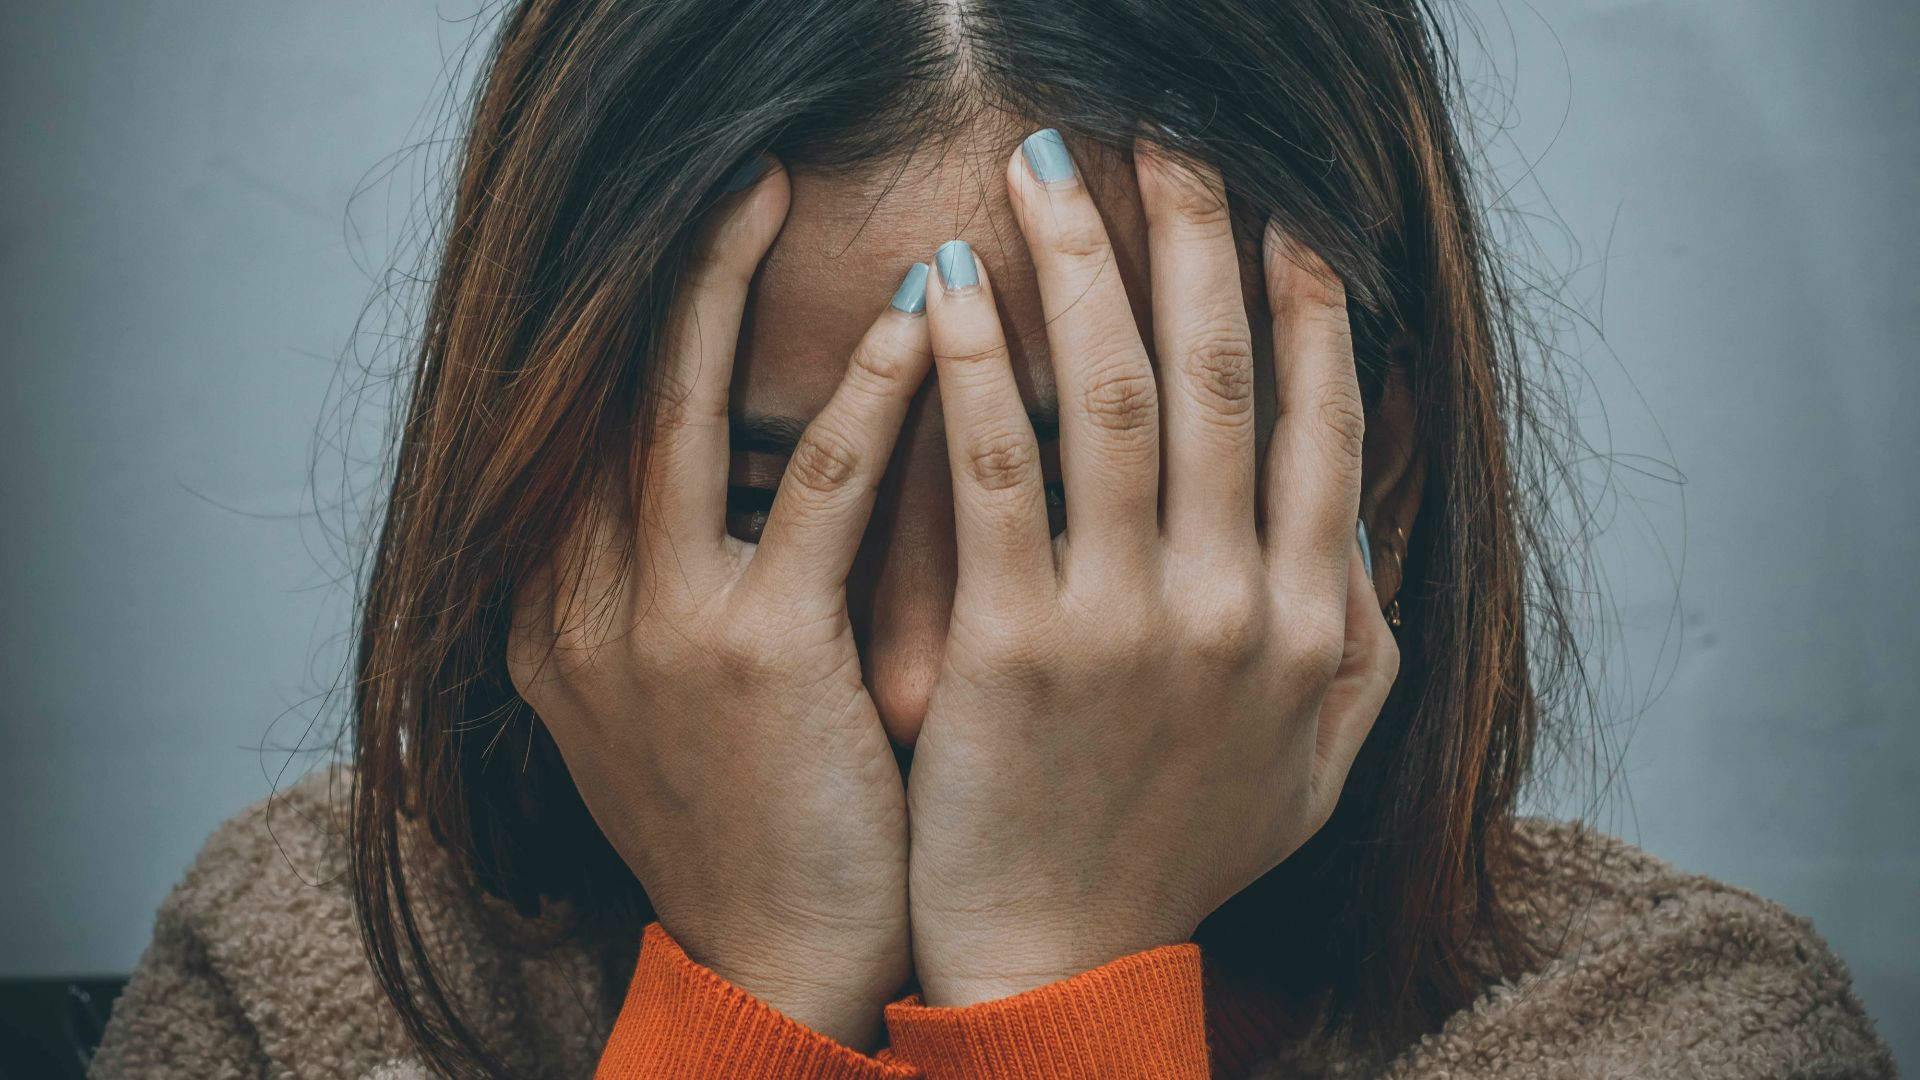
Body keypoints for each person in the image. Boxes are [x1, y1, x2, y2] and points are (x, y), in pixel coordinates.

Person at [91, 1, 1896, 1077]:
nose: (906, 673)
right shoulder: (320, 973)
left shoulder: (1669, 1029)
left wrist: (1053, 979)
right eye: (758, 507)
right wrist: (747, 1001)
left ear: (1372, 473)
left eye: (1080, 514)